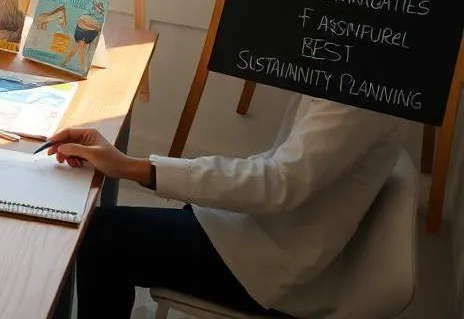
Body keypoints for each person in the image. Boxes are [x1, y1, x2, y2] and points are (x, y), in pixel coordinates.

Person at [48, 95, 407, 317]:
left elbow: (278, 183)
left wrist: (134, 167)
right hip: (269, 233)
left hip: (274, 266)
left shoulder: (357, 95)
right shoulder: (352, 70)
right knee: (120, 229)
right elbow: (281, 171)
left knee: (102, 238)